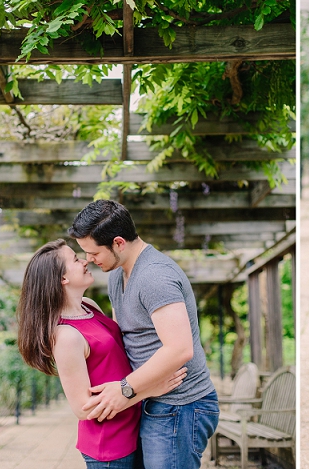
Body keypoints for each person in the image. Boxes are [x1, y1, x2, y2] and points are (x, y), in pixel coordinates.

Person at [67, 200, 219, 469]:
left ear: (118, 243)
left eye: (93, 252)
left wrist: (125, 388)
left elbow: (180, 349)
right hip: (151, 399)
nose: (89, 259)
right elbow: (123, 340)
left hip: (179, 405)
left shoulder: (154, 276)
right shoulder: (116, 274)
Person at [17, 239, 187, 469]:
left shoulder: (89, 306)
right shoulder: (66, 335)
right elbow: (83, 408)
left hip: (133, 428)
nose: (86, 260)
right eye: (76, 259)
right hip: (109, 446)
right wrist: (146, 389)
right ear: (63, 279)